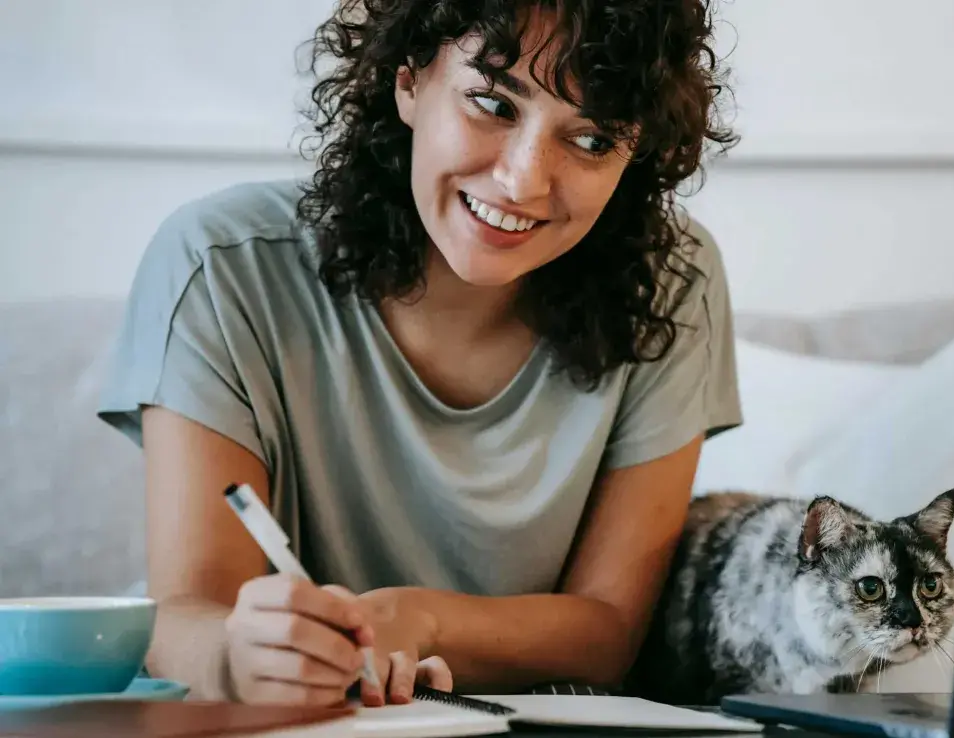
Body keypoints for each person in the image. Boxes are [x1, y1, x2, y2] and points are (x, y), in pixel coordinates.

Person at [97, 0, 741, 708]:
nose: (523, 180)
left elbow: (609, 632)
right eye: (493, 103)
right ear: (408, 82)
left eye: (591, 141)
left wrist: (422, 620)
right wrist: (238, 658)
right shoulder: (220, 267)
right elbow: (187, 612)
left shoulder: (675, 282)